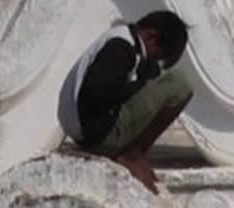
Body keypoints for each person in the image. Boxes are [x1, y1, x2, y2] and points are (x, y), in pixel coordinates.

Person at [57, 11, 191, 193]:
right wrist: (140, 86)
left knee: (157, 79)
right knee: (180, 84)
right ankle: (133, 154)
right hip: (97, 133)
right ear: (152, 37)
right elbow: (100, 87)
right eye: (157, 55)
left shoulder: (122, 38)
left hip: (86, 129)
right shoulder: (121, 47)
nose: (154, 60)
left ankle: (131, 152)